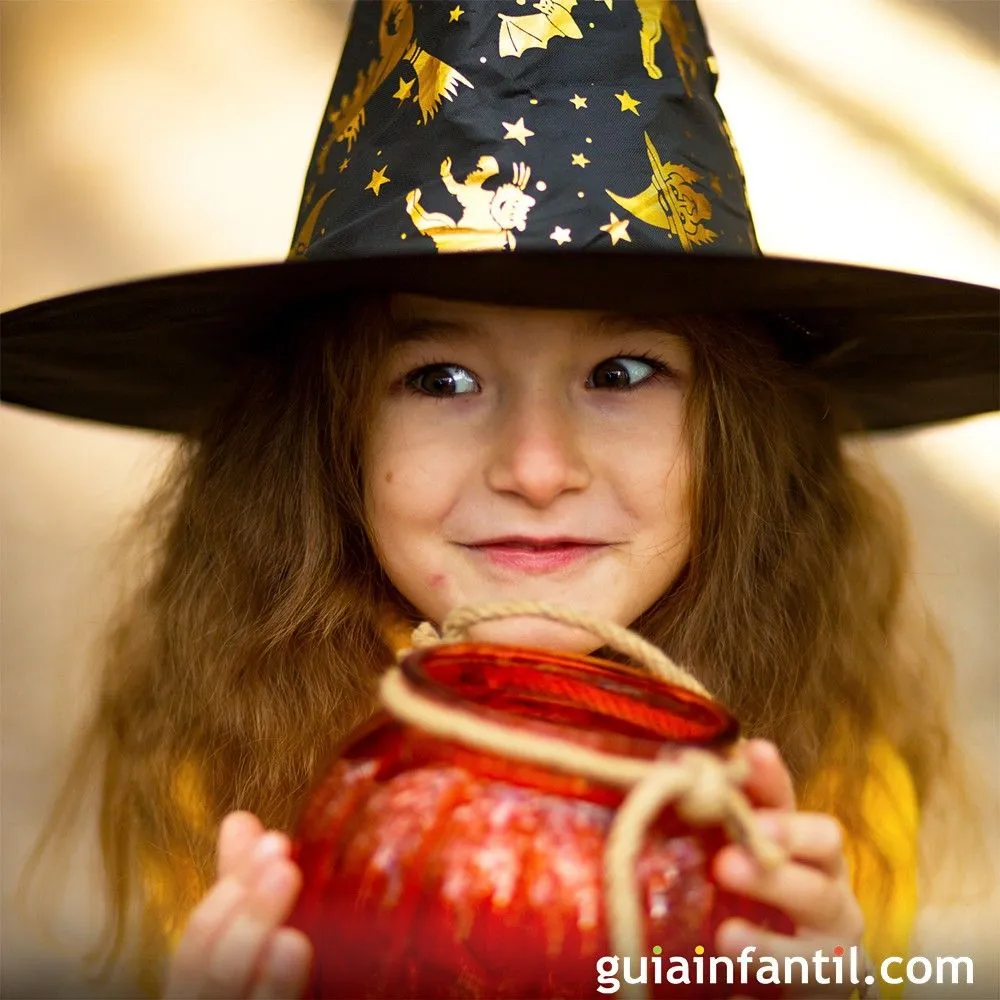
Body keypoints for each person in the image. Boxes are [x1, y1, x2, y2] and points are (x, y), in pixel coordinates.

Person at [4, 2, 995, 998]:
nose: (533, 467)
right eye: (441, 380)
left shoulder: (812, 795)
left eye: (619, 371)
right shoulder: (244, 775)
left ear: (737, 431)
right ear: (326, 436)